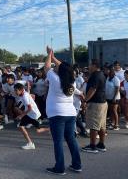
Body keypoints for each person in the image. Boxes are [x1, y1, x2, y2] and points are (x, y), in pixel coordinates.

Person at [44, 47, 81, 175]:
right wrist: (53, 57)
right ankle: (77, 165)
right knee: (71, 139)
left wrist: (49, 55)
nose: (55, 67)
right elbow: (66, 68)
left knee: (58, 142)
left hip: (57, 114)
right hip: (70, 113)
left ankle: (59, 168)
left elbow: (47, 67)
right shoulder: (72, 81)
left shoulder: (55, 79)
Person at [82, 59, 107, 154]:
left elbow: (93, 89)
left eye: (90, 65)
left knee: (94, 125)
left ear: (94, 65)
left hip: (96, 103)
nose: (89, 67)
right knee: (101, 125)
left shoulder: (95, 75)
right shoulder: (101, 74)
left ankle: (93, 146)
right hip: (102, 103)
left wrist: (85, 100)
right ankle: (101, 144)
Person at [14, 83, 47, 150]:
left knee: (38, 131)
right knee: (21, 126)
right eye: (15, 90)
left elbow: (30, 108)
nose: (15, 92)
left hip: (34, 115)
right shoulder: (24, 93)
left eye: (16, 90)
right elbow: (28, 91)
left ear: (21, 90)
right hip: (30, 114)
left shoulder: (25, 96)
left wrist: (21, 115)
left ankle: (51, 129)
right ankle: (30, 143)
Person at [104, 66, 121, 131]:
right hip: (108, 97)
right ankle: (112, 123)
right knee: (110, 110)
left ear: (110, 71)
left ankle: (116, 125)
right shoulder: (108, 77)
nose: (105, 71)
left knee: (114, 110)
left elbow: (117, 89)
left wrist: (114, 97)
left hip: (115, 98)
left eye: (106, 70)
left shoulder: (115, 78)